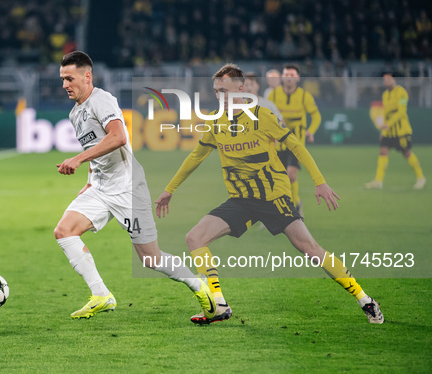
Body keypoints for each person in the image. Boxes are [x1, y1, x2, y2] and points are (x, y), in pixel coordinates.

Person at [155, 64, 383, 325]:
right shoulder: (216, 123)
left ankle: (365, 299)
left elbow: (295, 144)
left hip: (273, 198)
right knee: (195, 237)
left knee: (309, 248)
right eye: (217, 91)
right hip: (241, 200)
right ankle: (218, 305)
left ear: (241, 90)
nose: (220, 96)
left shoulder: (261, 116)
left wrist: (320, 182)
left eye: (225, 90)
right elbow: (195, 156)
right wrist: (169, 190)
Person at [53, 51, 215, 320]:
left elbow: (118, 137)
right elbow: (96, 148)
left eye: (69, 78)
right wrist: (89, 180)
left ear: (87, 76)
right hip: (101, 187)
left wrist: (78, 160)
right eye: (62, 79)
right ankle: (101, 295)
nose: (64, 85)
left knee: (150, 259)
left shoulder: (101, 100)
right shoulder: (75, 114)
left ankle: (199, 286)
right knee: (64, 231)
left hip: (128, 188)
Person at [268, 64, 321, 214]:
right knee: (276, 179)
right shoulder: (273, 95)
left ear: (297, 78)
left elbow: (316, 116)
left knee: (291, 175)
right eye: (286, 75)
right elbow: (266, 114)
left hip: (296, 143)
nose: (288, 78)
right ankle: (290, 205)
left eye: (292, 75)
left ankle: (293, 205)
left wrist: (311, 131)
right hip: (277, 143)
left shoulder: (305, 96)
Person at [365, 73, 425, 190]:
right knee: (383, 152)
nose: (387, 82)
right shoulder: (385, 94)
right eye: (385, 80)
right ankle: (378, 181)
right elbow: (385, 113)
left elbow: (402, 112)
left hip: (401, 131)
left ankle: (421, 178)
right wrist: (383, 131)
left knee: (406, 153)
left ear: (394, 80)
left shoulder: (401, 93)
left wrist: (388, 124)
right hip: (389, 132)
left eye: (389, 79)